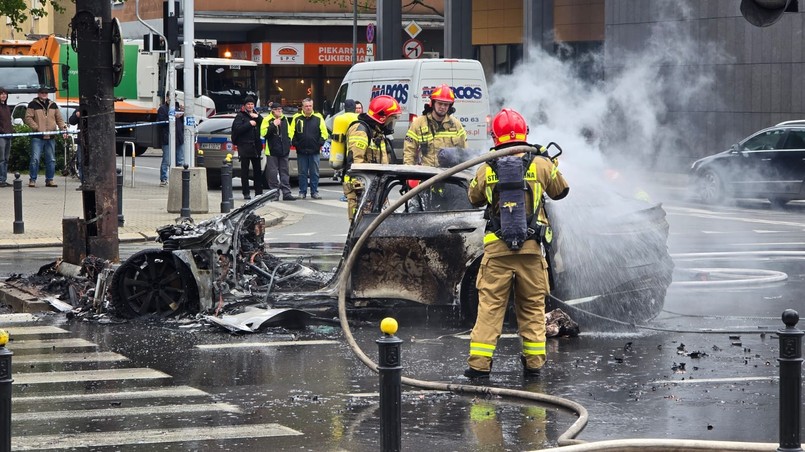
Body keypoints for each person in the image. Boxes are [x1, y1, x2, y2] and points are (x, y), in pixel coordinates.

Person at [464, 108, 570, 380]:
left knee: (489, 309)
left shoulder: (486, 167)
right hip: (532, 252)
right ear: (526, 133)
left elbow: (474, 198)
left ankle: (479, 365)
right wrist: (550, 163)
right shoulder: (541, 164)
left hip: (496, 253)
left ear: (495, 136)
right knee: (533, 309)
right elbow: (561, 191)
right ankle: (533, 363)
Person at [343, 94, 401, 221]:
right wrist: (361, 190)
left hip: (375, 187)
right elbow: (355, 161)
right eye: (391, 119)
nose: (392, 123)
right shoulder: (360, 131)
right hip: (362, 190)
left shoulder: (377, 132)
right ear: (382, 117)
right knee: (362, 227)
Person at [403, 84, 467, 166]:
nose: (443, 107)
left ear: (450, 106)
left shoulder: (456, 125)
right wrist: (408, 174)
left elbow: (463, 152)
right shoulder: (418, 123)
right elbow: (409, 152)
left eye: (446, 104)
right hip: (426, 174)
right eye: (440, 103)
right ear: (433, 103)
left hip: (449, 174)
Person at [24, 88, 67, 187]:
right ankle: (32, 179)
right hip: (37, 136)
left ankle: (50, 179)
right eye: (42, 93)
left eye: (46, 93)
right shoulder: (32, 104)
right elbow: (28, 118)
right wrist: (36, 127)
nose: (44, 94)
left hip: (51, 136)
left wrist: (63, 128)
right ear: (38, 94)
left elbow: (59, 119)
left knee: (51, 159)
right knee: (35, 159)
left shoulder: (53, 105)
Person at [290, 98, 328, 199]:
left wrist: (319, 144)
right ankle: (302, 192)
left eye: (310, 106)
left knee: (314, 172)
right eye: (306, 106)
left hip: (314, 151)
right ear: (302, 107)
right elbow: (291, 132)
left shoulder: (318, 117)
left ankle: (314, 192)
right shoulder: (296, 118)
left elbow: (324, 133)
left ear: (312, 106)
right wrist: (295, 143)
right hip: (301, 151)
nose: (308, 108)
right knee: (302, 173)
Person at [261, 100, 295, 201]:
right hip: (272, 150)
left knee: (284, 172)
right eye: (277, 110)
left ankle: (286, 193)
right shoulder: (267, 120)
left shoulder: (284, 119)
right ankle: (274, 193)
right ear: (273, 111)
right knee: (272, 173)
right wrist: (273, 125)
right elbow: (264, 133)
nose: (279, 112)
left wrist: (288, 143)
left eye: (280, 110)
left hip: (284, 150)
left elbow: (289, 133)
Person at [231, 95, 264, 200]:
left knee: (257, 171)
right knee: (244, 171)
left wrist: (257, 117)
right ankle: (246, 192)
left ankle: (258, 192)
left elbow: (264, 124)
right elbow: (237, 129)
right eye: (248, 104)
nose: (250, 106)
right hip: (244, 146)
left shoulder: (256, 115)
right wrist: (249, 124)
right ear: (244, 106)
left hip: (256, 146)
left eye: (252, 104)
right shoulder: (240, 116)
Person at [332, 99, 360, 202]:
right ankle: (355, 193)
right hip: (355, 150)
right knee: (355, 173)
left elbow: (335, 135)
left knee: (346, 174)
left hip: (342, 150)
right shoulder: (358, 118)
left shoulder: (339, 118)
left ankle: (347, 194)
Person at [157, 95, 185, 187]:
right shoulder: (162, 109)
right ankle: (163, 179)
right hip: (167, 138)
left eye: (175, 98)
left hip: (179, 138)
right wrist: (171, 118)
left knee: (180, 160)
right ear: (167, 98)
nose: (173, 100)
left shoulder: (178, 108)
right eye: (171, 98)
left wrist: (182, 113)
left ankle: (180, 179)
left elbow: (183, 121)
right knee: (166, 160)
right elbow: (161, 122)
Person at [68, 110, 83, 190]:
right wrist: (76, 116)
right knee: (81, 162)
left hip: (95, 140)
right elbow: (71, 121)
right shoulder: (80, 108)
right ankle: (83, 182)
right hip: (82, 141)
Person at [0, 88, 12, 188]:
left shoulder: (7, 107)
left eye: (5, 94)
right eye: (1, 94)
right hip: (1, 136)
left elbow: (8, 122)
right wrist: (2, 131)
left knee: (6, 159)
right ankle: (1, 179)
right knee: (1, 159)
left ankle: (4, 179)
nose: (4, 95)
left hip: (8, 135)